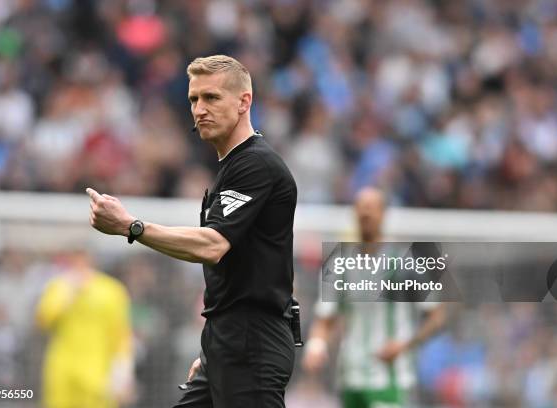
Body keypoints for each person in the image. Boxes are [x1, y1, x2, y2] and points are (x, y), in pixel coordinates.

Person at [86, 54, 298, 408]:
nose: (200, 109)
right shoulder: (233, 167)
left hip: (251, 342)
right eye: (194, 99)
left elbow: (213, 245)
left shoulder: (256, 164)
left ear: (244, 102)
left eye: (212, 98)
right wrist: (215, 348)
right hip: (229, 340)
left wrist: (131, 227)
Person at [302, 187, 446, 408]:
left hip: (389, 377)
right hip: (350, 376)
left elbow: (436, 316)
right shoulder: (338, 263)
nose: (365, 213)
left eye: (371, 208)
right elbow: (325, 318)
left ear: (383, 214)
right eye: (361, 208)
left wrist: (405, 345)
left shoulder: (405, 262)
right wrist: (316, 346)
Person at [35, 250, 134, 408]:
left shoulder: (111, 290)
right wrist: (67, 295)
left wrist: (123, 371)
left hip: (98, 371)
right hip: (62, 371)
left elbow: (121, 334)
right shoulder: (59, 286)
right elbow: (44, 320)